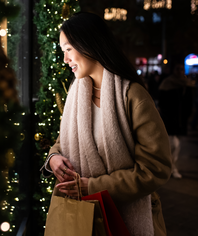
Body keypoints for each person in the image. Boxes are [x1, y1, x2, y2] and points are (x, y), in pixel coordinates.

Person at [40, 12, 172, 236]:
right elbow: (63, 142)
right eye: (63, 52)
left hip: (126, 219)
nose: (65, 60)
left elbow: (156, 168)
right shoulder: (76, 95)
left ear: (89, 44)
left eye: (69, 49)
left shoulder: (132, 96)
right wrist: (53, 158)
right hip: (83, 217)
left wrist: (91, 187)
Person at [158, 61, 193, 179]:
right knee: (173, 145)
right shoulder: (167, 83)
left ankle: (171, 168)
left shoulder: (186, 84)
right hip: (169, 119)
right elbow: (162, 102)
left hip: (180, 119)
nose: (180, 71)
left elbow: (188, 102)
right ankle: (171, 168)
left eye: (182, 69)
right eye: (177, 69)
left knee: (176, 146)